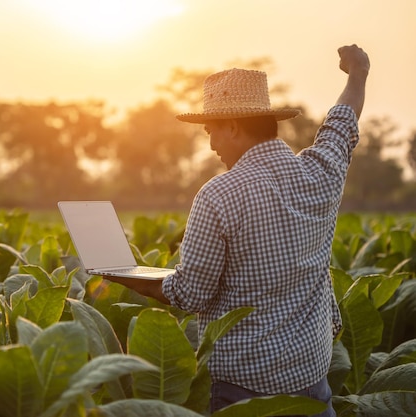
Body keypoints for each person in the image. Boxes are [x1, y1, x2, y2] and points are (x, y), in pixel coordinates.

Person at [104, 44, 370, 416]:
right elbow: (342, 123)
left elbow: (191, 293)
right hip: (311, 381)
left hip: (244, 391)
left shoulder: (219, 195)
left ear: (232, 126)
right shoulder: (320, 172)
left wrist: (128, 276)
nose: (211, 144)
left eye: (211, 132)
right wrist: (358, 73)